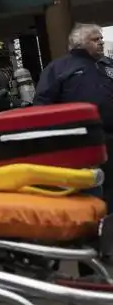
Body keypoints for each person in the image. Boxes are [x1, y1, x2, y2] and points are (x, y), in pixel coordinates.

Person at [34, 23, 113, 206]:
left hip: (110, 138)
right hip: (80, 141)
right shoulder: (59, 68)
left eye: (101, 38)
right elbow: (43, 103)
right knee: (90, 188)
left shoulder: (108, 65)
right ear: (80, 43)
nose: (101, 42)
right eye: (95, 39)